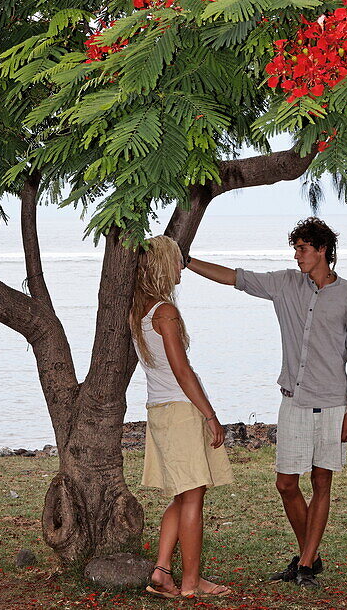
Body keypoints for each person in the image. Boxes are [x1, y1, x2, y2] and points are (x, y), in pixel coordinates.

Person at [185, 216, 347, 589]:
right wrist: (185, 261)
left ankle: (303, 564)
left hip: (333, 403)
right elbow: (235, 277)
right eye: (295, 249)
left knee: (321, 481)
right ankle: (310, 557)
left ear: (322, 251)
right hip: (294, 401)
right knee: (286, 483)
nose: (297, 255)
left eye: (302, 249)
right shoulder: (285, 284)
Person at [130, 234, 234, 599]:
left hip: (159, 410)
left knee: (182, 494)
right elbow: (182, 371)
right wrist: (210, 415)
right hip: (179, 410)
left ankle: (162, 572)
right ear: (162, 266)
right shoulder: (165, 312)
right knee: (193, 498)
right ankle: (191, 584)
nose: (181, 269)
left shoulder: (139, 309)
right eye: (176, 262)